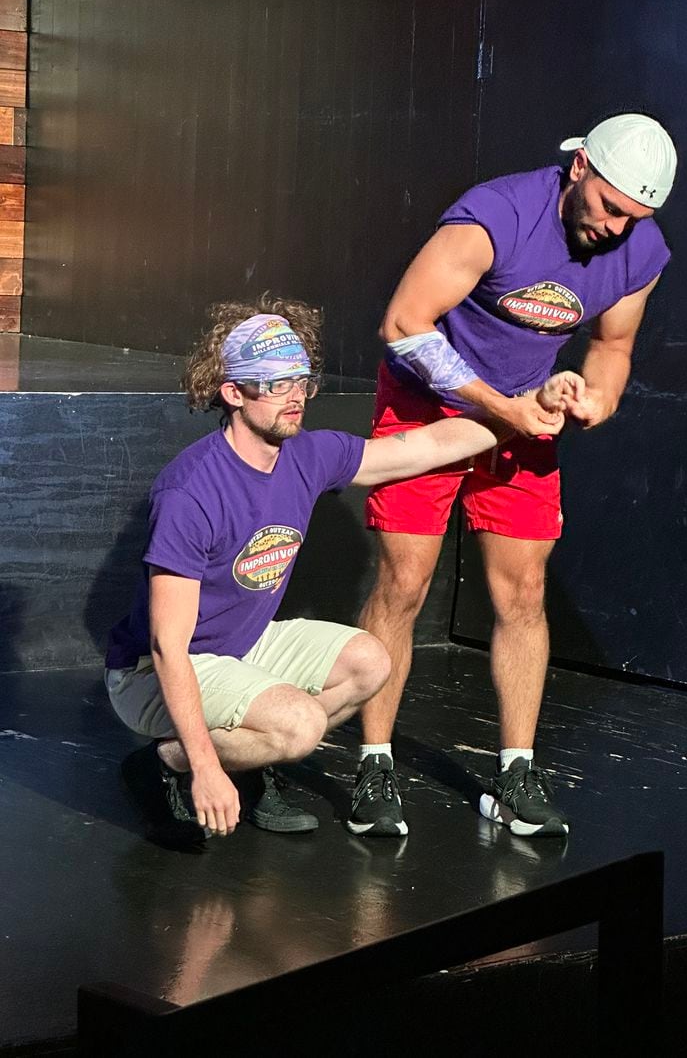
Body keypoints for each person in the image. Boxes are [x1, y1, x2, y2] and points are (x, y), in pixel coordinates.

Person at [105, 293, 582, 847]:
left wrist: (522, 411)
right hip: (153, 671)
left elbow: (423, 446)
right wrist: (206, 769)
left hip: (242, 643)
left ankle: (239, 758)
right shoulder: (192, 491)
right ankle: (167, 764)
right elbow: (167, 646)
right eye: (275, 384)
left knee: (368, 662)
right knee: (300, 725)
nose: (294, 398)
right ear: (233, 392)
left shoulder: (308, 455)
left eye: (301, 382)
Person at [351, 113, 677, 838]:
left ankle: (515, 771)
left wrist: (593, 398)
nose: (620, 229)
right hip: (426, 405)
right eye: (612, 207)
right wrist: (503, 406)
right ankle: (374, 761)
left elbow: (613, 345)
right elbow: (404, 323)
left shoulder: (639, 249)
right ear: (581, 168)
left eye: (638, 217)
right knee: (404, 583)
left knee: (524, 590)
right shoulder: (496, 215)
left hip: (523, 418)